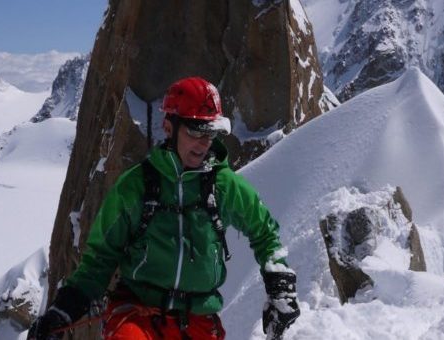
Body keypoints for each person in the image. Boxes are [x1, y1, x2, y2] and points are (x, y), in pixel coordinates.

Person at [28, 77, 300, 340]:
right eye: (195, 131)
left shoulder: (224, 186)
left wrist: (279, 284)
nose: (204, 143)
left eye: (210, 132)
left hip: (198, 320)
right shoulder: (136, 187)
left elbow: (264, 231)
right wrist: (62, 311)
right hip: (137, 317)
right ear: (169, 128)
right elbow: (99, 259)